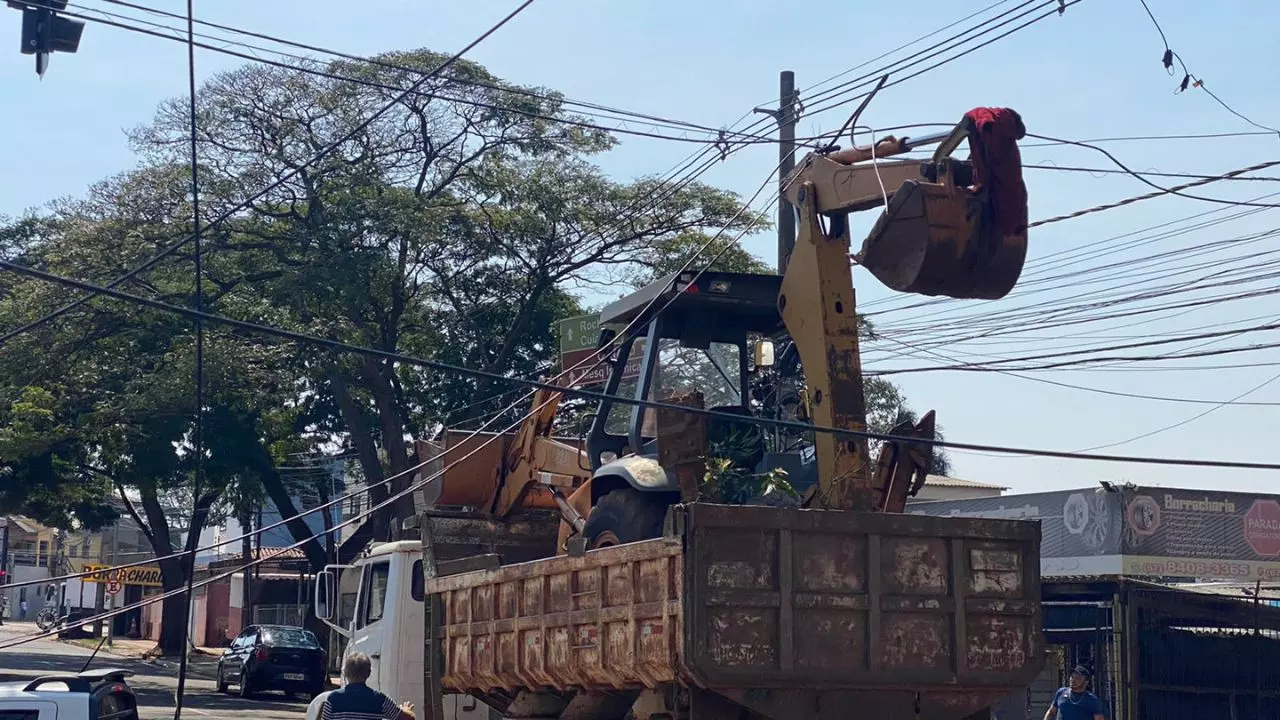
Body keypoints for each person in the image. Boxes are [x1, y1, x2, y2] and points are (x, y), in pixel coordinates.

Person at [318, 653, 414, 720]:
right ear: (368, 673)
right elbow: (407, 719)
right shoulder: (380, 699)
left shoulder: (332, 699)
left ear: (345, 673)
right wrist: (407, 710)